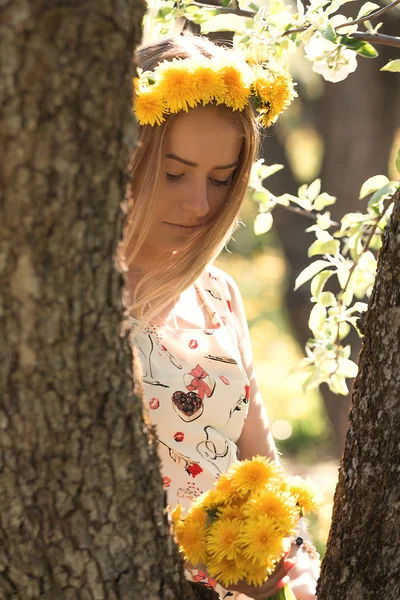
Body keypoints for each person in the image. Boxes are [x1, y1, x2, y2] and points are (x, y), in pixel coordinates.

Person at [121, 34, 319, 600]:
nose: (200, 205)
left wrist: (293, 558)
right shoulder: (71, 296)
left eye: (221, 177)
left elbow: (256, 455)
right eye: (175, 172)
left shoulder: (217, 293)